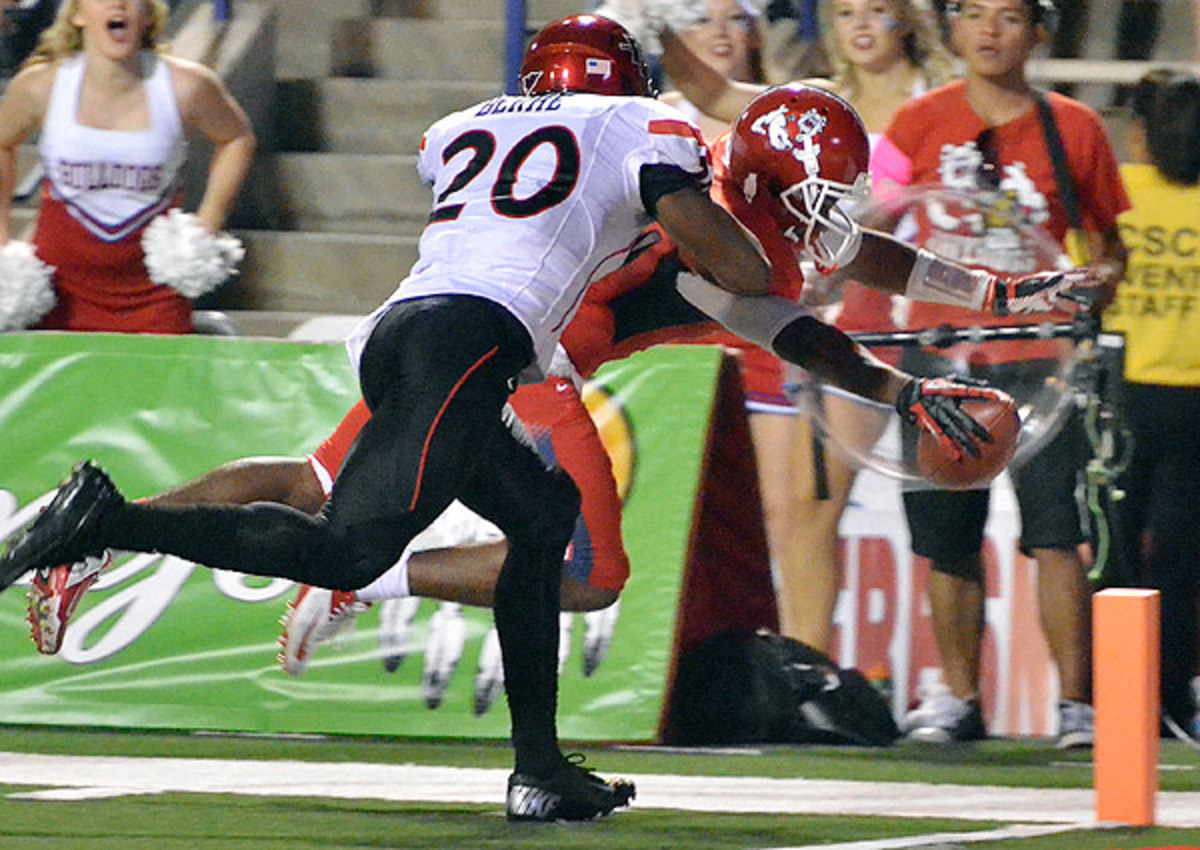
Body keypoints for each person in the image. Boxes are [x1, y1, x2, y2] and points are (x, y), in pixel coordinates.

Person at [0, 58, 1095, 819]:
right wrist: (906, 381)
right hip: (502, 354)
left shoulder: (641, 146)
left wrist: (996, 291)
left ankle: (537, 769)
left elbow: (832, 260)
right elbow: (780, 306)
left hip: (457, 337)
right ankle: (112, 519)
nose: (833, 218)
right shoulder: (669, 168)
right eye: (816, 198)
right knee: (361, 541)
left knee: (535, 520)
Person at [637, 0, 956, 655]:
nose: (861, 25)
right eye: (844, 13)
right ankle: (796, 664)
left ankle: (811, 664)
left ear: (908, 22)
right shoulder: (815, 104)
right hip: (791, 323)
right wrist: (652, 20)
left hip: (872, 328)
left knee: (816, 513)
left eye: (876, 11)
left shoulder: (934, 110)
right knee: (786, 517)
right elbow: (716, 92)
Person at [870, 0, 1130, 748]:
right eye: (973, 14)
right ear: (950, 29)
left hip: (1039, 360)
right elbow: (870, 222)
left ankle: (1077, 705)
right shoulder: (916, 122)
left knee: (1056, 535)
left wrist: (1095, 284)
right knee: (945, 537)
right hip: (939, 356)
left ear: (1039, 33)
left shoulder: (1075, 128)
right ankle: (957, 699)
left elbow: (1111, 244)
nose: (989, 32)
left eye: (1009, 17)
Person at [0, 0, 255, 333]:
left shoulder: (187, 85)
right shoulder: (40, 85)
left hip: (155, 294)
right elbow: (3, 142)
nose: (119, 3)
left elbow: (237, 138)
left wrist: (209, 221)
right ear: (77, 15)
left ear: (146, 17)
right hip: (59, 292)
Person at [1104, 69, 1200, 739]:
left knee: (1114, 554)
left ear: (1137, 133)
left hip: (1121, 396)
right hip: (1190, 402)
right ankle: (1171, 696)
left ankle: (1113, 698)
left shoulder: (1114, 194)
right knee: (1178, 559)